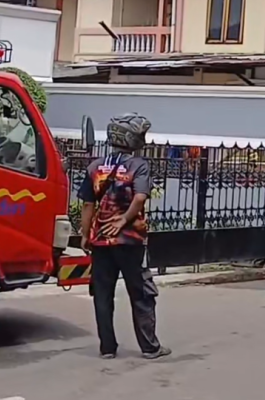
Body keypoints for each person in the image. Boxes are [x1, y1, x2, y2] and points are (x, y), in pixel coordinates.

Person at [78, 113, 170, 360]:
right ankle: (150, 347)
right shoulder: (139, 165)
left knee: (102, 294)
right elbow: (140, 197)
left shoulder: (96, 167)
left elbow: (88, 204)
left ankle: (107, 348)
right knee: (141, 293)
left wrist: (86, 234)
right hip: (130, 241)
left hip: (100, 241)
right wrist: (123, 219)